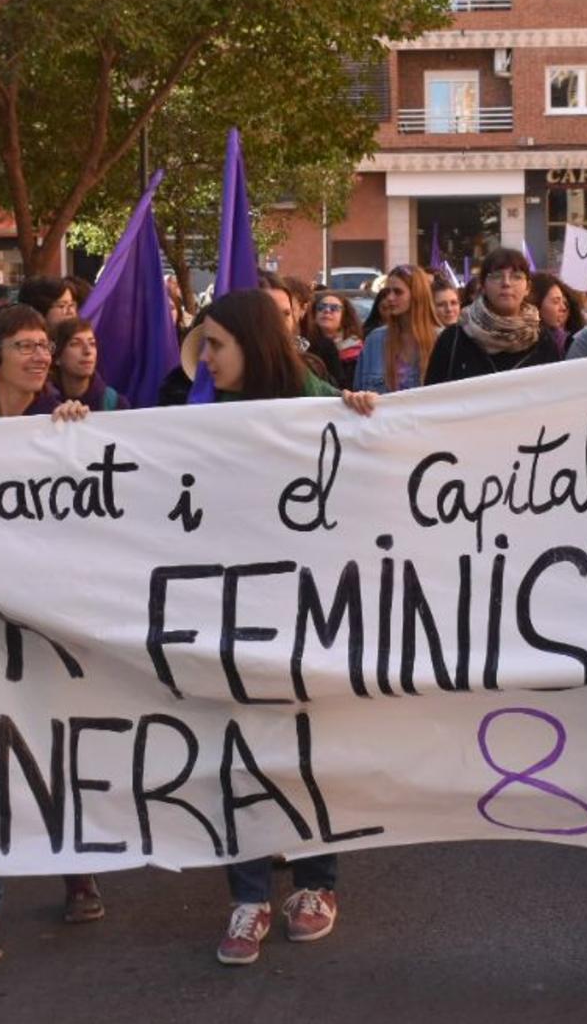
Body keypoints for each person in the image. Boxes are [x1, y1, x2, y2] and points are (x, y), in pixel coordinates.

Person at [169, 287, 376, 965]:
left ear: (253, 345)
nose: (207, 360)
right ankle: (250, 895)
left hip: (310, 610)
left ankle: (316, 884)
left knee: (310, 753)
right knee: (239, 756)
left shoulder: (319, 400)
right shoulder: (194, 408)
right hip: (229, 613)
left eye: (218, 346)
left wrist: (368, 420)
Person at [0, 304, 105, 970]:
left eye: (46, 345)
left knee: (56, 755)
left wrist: (77, 440)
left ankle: (75, 871)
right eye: (25, 346)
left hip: (54, 628)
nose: (42, 356)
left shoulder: (69, 425)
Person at [427, 248, 562, 383]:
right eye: (497, 276)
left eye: (516, 276)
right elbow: (433, 396)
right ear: (483, 285)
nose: (506, 283)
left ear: (527, 287)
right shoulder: (454, 339)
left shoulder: (543, 341)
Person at [353, 267, 439, 393]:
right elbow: (358, 390)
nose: (390, 298)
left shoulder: (441, 340)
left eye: (398, 292)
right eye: (387, 292)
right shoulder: (374, 340)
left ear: (417, 295)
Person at [50, 316, 131, 411]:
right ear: (57, 357)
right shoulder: (46, 401)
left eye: (92, 344)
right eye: (76, 344)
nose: (87, 351)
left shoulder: (115, 404)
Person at [308, 290, 364, 386]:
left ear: (344, 316)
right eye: (321, 307)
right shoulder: (306, 345)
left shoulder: (357, 351)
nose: (327, 311)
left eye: (334, 308)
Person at [529, 272, 586, 355]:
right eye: (556, 302)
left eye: (565, 303)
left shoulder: (575, 342)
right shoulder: (524, 343)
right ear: (536, 304)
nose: (563, 308)